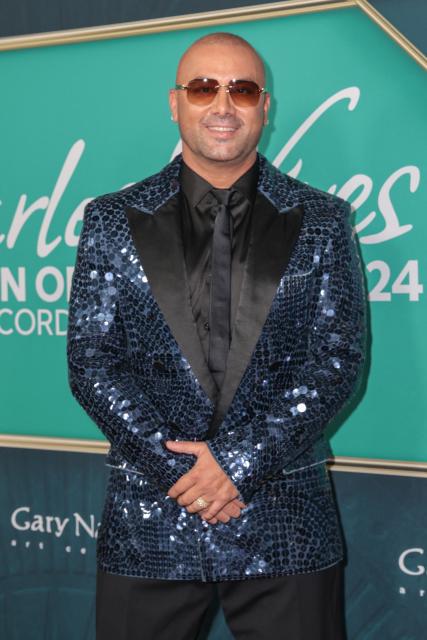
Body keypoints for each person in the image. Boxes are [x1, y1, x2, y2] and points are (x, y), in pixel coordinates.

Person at [66, 31, 366, 640]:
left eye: (243, 90)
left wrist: (237, 465)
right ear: (175, 103)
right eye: (204, 88)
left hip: (286, 528)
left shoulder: (325, 219)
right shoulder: (109, 219)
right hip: (149, 525)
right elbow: (92, 362)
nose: (223, 105)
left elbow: (337, 359)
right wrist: (183, 476)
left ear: (265, 107)